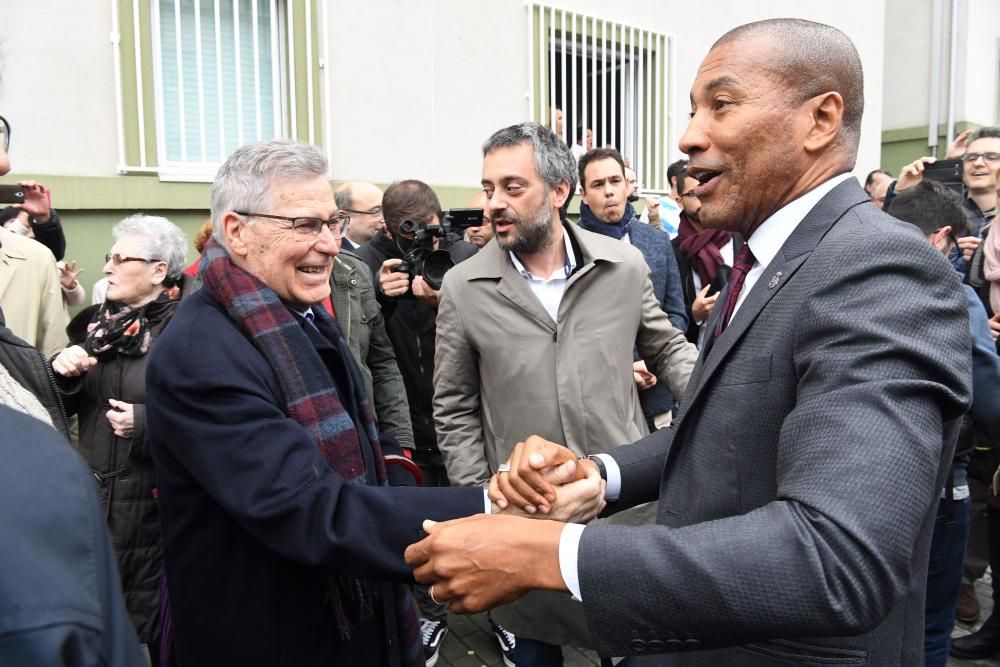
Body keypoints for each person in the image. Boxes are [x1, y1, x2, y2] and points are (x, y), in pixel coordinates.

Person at [406, 19, 972, 666]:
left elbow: (836, 557)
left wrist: (549, 552)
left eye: (721, 105)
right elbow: (727, 424)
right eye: (692, 109)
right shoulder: (771, 259)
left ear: (820, 119)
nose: (689, 135)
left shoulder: (878, 269)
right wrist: (602, 474)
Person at [145, 140, 570, 666]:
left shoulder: (289, 313)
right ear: (236, 231)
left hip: (342, 616)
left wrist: (401, 466)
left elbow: (360, 433)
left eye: (334, 222)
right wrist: (492, 508)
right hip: (270, 635)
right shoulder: (199, 353)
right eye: (304, 225)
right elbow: (311, 509)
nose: (328, 244)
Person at [433, 123, 697, 664]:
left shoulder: (622, 265)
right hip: (524, 520)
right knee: (536, 650)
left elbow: (667, 346)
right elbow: (454, 406)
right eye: (488, 189)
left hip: (620, 511)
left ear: (558, 191)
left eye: (512, 187)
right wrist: (484, 498)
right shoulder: (463, 287)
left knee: (634, 647)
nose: (494, 205)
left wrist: (717, 398)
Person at [51, 214, 196, 660]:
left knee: (159, 638)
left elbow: (212, 420)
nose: (107, 268)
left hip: (158, 516)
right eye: (108, 258)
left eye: (121, 259)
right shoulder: (94, 325)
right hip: (96, 510)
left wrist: (148, 423)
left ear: (158, 270)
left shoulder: (187, 330)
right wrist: (62, 371)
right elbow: (58, 408)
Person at [354, 179, 480, 663]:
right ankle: (428, 617)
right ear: (388, 228)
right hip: (405, 418)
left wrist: (446, 296)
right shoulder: (365, 266)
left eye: (431, 232)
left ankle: (504, 615)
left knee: (476, 511)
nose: (424, 245)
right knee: (419, 526)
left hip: (460, 414)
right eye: (412, 236)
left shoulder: (464, 255)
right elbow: (364, 349)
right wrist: (382, 299)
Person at [885, 180, 1000, 665]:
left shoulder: (850, 276)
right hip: (936, 480)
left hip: (860, 477)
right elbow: (989, 394)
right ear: (942, 236)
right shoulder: (952, 291)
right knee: (931, 623)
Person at [575, 146, 692, 430]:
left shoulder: (657, 241)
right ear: (583, 193)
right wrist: (625, 369)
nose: (609, 191)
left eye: (615, 181)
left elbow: (676, 312)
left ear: (627, 185)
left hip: (658, 396)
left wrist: (650, 364)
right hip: (599, 406)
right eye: (598, 184)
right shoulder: (570, 248)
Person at [672, 168, 744, 346]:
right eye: (694, 193)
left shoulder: (740, 238)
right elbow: (666, 314)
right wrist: (694, 314)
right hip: (694, 353)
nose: (702, 196)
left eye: (707, 188)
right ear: (679, 201)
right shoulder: (672, 251)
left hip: (738, 345)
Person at [335, 180, 385, 249]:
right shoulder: (335, 255)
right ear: (344, 218)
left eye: (385, 210)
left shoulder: (391, 249)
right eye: (376, 211)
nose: (385, 219)